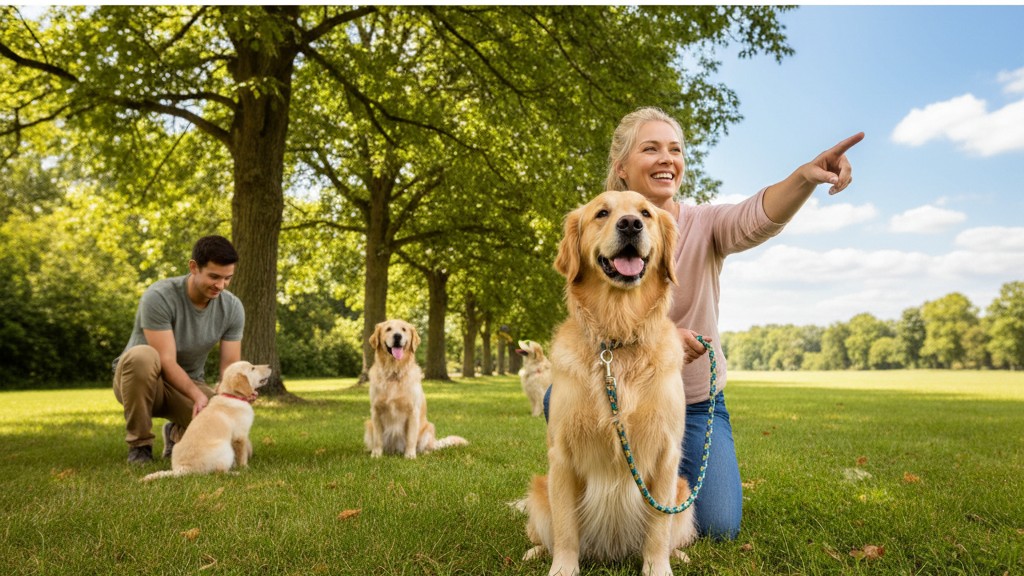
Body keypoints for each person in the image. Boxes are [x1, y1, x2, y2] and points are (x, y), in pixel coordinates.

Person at [546, 107, 863, 539]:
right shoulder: (595, 224)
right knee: (556, 397)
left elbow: (756, 215)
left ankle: (638, 506)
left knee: (716, 524)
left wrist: (805, 177)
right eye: (651, 148)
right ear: (621, 167)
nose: (666, 158)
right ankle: (594, 507)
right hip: (598, 386)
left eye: (675, 150)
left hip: (692, 405)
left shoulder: (701, 224)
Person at [112, 235, 245, 464]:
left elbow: (228, 369)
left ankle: (176, 433)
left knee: (231, 442)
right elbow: (166, 360)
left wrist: (238, 394)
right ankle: (140, 446)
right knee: (142, 356)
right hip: (141, 382)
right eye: (214, 277)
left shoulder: (232, 308)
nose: (220, 286)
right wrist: (196, 396)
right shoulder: (160, 296)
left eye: (227, 278)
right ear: (193, 267)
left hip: (189, 383)